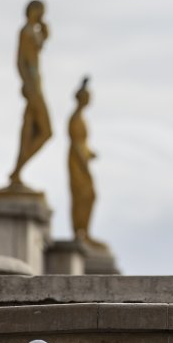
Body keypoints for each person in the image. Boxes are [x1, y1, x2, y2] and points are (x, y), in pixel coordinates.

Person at [9, 0, 53, 187]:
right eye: (41, 11)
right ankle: (17, 170)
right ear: (33, 10)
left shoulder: (33, 32)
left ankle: (17, 171)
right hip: (33, 87)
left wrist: (44, 30)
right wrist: (27, 84)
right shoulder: (25, 31)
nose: (42, 14)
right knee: (44, 131)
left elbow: (42, 42)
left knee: (30, 129)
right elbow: (20, 61)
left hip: (37, 84)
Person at [68, 76, 105, 249]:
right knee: (84, 195)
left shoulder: (80, 118)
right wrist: (84, 164)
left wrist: (90, 154)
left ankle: (84, 231)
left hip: (81, 160)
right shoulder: (75, 119)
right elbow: (76, 144)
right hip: (77, 163)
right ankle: (80, 232)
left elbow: (82, 144)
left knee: (88, 196)